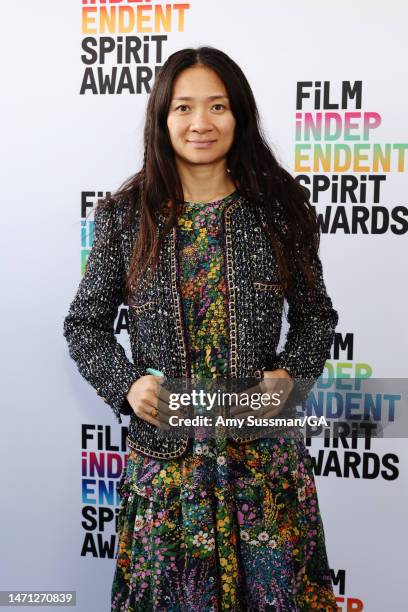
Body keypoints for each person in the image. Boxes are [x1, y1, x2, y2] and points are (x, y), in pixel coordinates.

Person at [63, 46, 339, 611]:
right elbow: (85, 324)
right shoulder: (127, 215)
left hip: (261, 471)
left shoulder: (279, 210)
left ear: (239, 115)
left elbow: (317, 318)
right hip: (168, 477)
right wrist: (126, 383)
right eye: (184, 108)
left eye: (217, 106)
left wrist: (292, 377)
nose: (201, 124)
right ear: (163, 119)